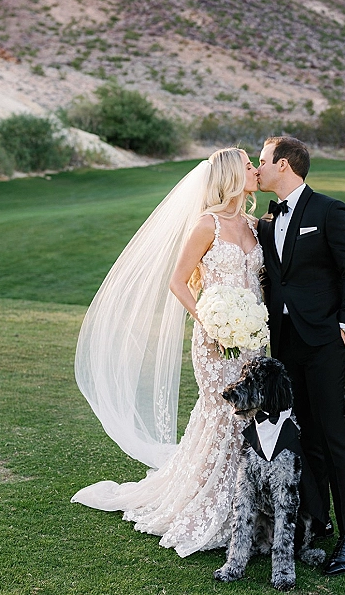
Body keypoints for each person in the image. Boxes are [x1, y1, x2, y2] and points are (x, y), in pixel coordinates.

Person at [71, 148, 264, 557]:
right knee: (223, 414)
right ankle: (212, 507)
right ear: (231, 175)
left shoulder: (253, 224)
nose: (256, 171)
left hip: (252, 339)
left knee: (250, 418)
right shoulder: (205, 224)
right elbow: (178, 282)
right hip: (215, 341)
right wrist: (210, 323)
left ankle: (246, 508)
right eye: (249, 166)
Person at [256, 136, 345, 575]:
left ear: (283, 166)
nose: (258, 168)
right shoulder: (267, 222)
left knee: (334, 433)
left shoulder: (329, 211)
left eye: (262, 161)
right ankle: (316, 520)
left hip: (326, 340)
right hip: (285, 343)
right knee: (303, 434)